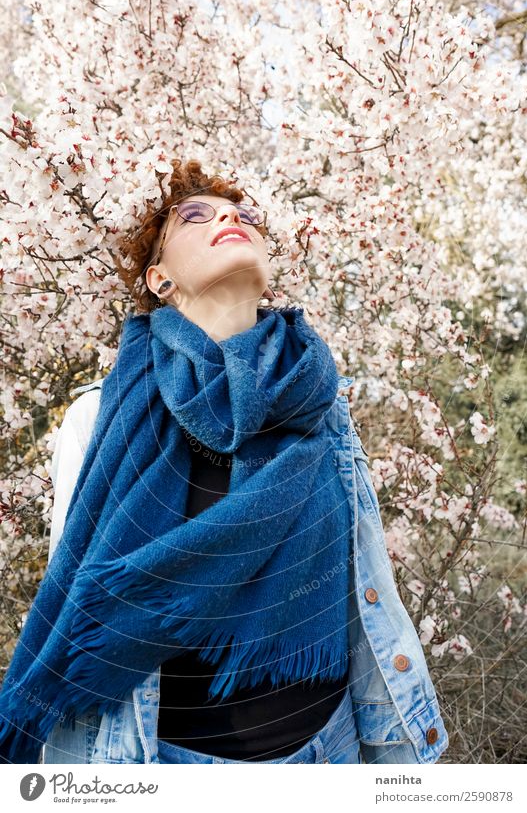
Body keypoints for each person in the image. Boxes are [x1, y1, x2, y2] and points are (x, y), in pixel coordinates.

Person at [0, 160, 448, 765]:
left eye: (243, 214)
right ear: (160, 280)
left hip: (331, 748)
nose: (231, 218)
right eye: (195, 216)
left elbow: (362, 589)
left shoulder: (320, 407)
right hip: (167, 764)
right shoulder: (99, 420)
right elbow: (82, 600)